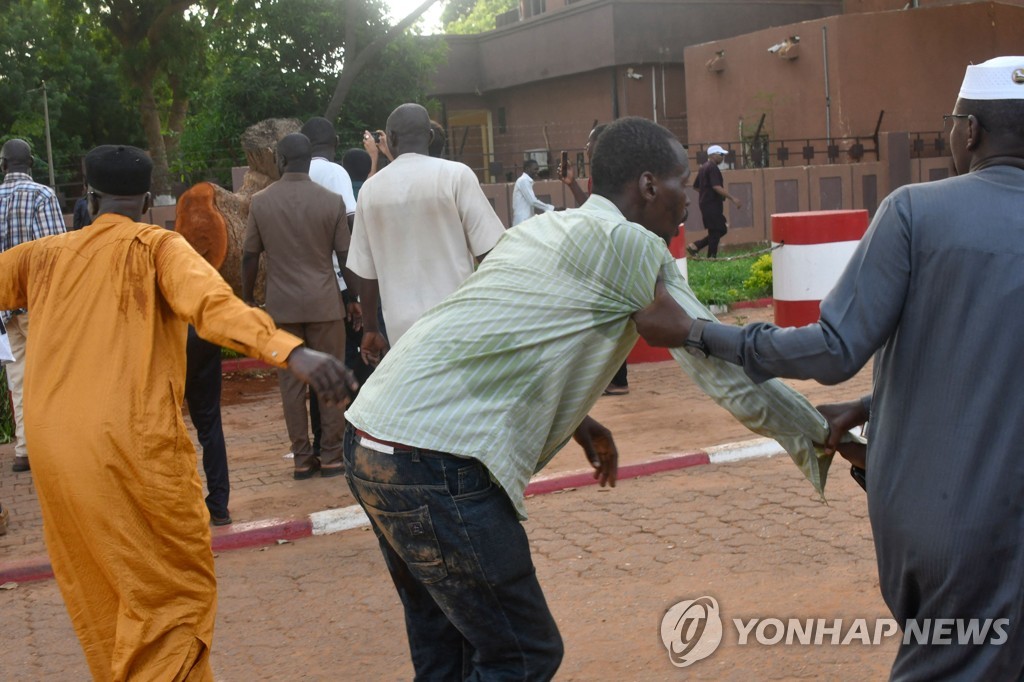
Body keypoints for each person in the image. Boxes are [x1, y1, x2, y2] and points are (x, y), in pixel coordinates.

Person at [342, 117, 852, 679]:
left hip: (372, 436)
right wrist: (813, 428)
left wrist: (582, 423)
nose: (689, 199)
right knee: (522, 652)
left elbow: (501, 337)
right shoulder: (633, 246)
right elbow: (721, 368)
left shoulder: (540, 232)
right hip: (440, 464)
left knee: (448, 649)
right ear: (651, 184)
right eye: (683, 182)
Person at [665, 56, 1024, 679]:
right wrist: (877, 408)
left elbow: (834, 349)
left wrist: (700, 332)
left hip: (954, 526)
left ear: (968, 130)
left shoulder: (917, 211)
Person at [0, 144, 356, 680]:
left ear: (89, 197)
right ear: (146, 200)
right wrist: (291, 350)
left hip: (54, 455)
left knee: (100, 585)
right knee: (173, 594)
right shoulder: (158, 247)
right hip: (130, 445)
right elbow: (213, 306)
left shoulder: (42, 256)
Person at [348, 102, 505, 362]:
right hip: (457, 322)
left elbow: (367, 272)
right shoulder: (456, 176)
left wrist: (371, 328)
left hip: (401, 330)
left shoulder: (370, 190)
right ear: (430, 137)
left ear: (392, 139)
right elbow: (492, 254)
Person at [243, 133, 355, 480]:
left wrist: (247, 298)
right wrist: (353, 299)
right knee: (330, 378)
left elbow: (249, 255)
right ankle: (333, 456)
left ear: (280, 160)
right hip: (325, 303)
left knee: (291, 385)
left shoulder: (260, 202)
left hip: (282, 308)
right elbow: (345, 255)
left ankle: (302, 460)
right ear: (309, 161)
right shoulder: (332, 201)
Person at [0, 139, 65, 473]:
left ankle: (24, 451)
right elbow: (54, 254)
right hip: (37, 304)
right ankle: (54, 448)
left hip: (3, 310)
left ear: (3, 165)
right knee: (53, 378)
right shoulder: (43, 195)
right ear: (32, 163)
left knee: (19, 381)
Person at [558, 123, 629, 395]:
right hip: (601, 248)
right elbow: (589, 208)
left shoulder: (611, 176)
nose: (585, 148)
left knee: (609, 311)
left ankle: (618, 379)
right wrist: (572, 183)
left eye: (590, 143)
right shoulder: (596, 177)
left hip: (611, 249)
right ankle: (613, 378)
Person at [687, 144, 741, 258]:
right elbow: (716, 187)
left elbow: (696, 187)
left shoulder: (703, 167)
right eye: (721, 154)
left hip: (706, 204)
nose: (722, 157)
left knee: (717, 230)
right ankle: (711, 257)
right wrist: (733, 198)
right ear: (713, 155)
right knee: (718, 229)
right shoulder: (712, 168)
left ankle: (696, 246)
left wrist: (706, 193)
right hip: (711, 205)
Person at [511, 158, 555, 225]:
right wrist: (550, 208)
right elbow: (532, 201)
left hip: (526, 220)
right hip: (523, 221)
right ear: (527, 169)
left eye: (537, 169)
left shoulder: (526, 181)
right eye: (535, 169)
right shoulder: (523, 180)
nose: (537, 172)